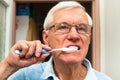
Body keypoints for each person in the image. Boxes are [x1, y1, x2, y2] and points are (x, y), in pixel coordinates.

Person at [0, 1, 111, 80]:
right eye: (63, 27)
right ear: (46, 38)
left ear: (89, 39)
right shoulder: (25, 77)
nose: (74, 35)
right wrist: (8, 65)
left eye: (81, 28)